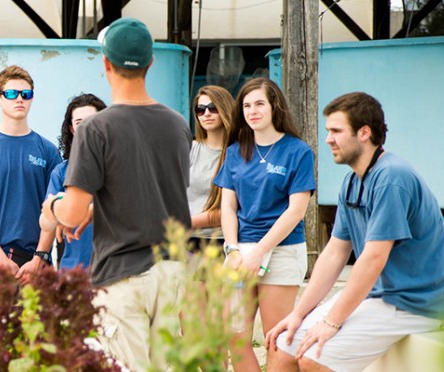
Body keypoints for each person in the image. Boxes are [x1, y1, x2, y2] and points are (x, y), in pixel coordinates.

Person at [40, 18, 192, 369]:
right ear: (151, 63)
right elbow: (155, 193)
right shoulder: (177, 124)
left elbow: (73, 214)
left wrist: (53, 205)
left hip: (123, 273)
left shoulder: (96, 128)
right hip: (172, 270)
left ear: (106, 63)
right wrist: (97, 209)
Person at [265, 92, 444, 371]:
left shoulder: (392, 178)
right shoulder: (353, 181)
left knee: (313, 357)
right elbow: (334, 253)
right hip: (375, 298)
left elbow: (374, 258)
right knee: (282, 346)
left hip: (409, 304)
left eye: (336, 131)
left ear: (364, 133)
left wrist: (331, 322)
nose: (328, 139)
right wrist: (299, 314)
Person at [214, 77, 315, 372]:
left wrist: (260, 251)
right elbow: (228, 206)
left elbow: (296, 211)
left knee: (276, 340)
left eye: (259, 103)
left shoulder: (298, 152)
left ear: (275, 107)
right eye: (246, 105)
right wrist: (232, 250)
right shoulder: (235, 151)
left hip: (282, 250)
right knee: (233, 335)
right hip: (240, 250)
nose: (252, 110)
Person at [0, 65, 61, 287]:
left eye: (26, 94)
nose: (19, 99)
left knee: (37, 323)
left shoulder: (48, 150)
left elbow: (53, 211)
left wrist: (39, 257)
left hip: (35, 264)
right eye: (11, 94)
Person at [47, 93, 106, 270]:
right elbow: (47, 220)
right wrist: (55, 209)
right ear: (72, 129)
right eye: (80, 123)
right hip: (73, 275)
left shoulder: (120, 166)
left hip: (115, 276)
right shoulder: (61, 172)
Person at [188, 85, 236, 244]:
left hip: (219, 241)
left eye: (212, 108)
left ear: (225, 109)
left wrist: (187, 222)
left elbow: (233, 209)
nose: (206, 114)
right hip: (183, 238)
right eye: (200, 109)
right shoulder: (190, 149)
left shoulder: (239, 154)